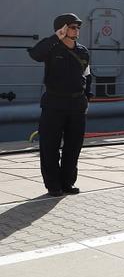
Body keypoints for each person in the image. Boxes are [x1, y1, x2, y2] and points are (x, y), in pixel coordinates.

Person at [27, 13, 92, 196]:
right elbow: (35, 54)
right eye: (72, 27)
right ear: (62, 28)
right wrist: (56, 37)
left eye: (78, 27)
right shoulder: (51, 49)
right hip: (54, 103)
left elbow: (87, 76)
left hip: (77, 104)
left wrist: (87, 98)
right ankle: (53, 186)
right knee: (50, 146)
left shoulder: (83, 51)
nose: (76, 30)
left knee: (73, 147)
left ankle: (67, 183)